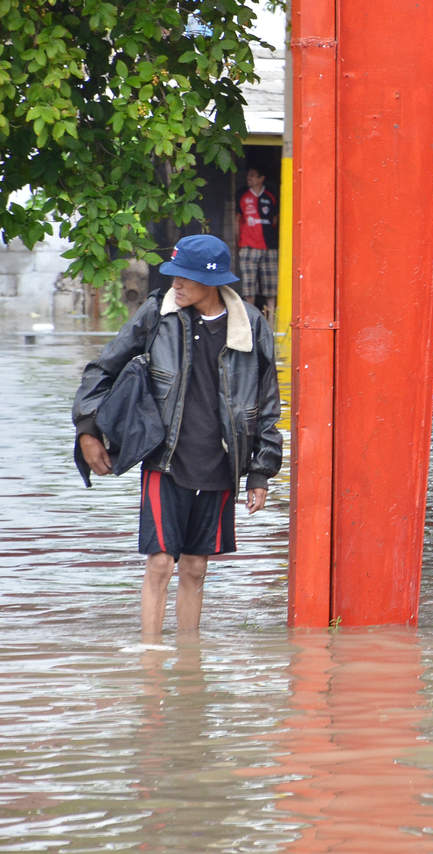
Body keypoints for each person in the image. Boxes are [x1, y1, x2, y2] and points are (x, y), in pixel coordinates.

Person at [73, 234, 282, 639]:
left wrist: (261, 471)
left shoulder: (251, 325)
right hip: (164, 458)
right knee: (159, 563)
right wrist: (87, 430)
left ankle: (189, 658)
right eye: (174, 276)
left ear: (212, 281)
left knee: (196, 567)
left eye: (185, 277)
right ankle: (150, 656)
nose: (176, 284)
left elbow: (267, 403)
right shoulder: (158, 313)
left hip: (221, 462)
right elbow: (102, 369)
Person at [235, 166, 280, 318]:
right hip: (248, 246)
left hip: (269, 247)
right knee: (249, 288)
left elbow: (275, 219)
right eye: (248, 175)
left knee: (271, 288)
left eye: (253, 175)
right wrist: (239, 242)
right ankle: (251, 321)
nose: (249, 178)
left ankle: (271, 321)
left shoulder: (270, 196)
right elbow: (237, 219)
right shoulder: (242, 195)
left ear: (261, 179)